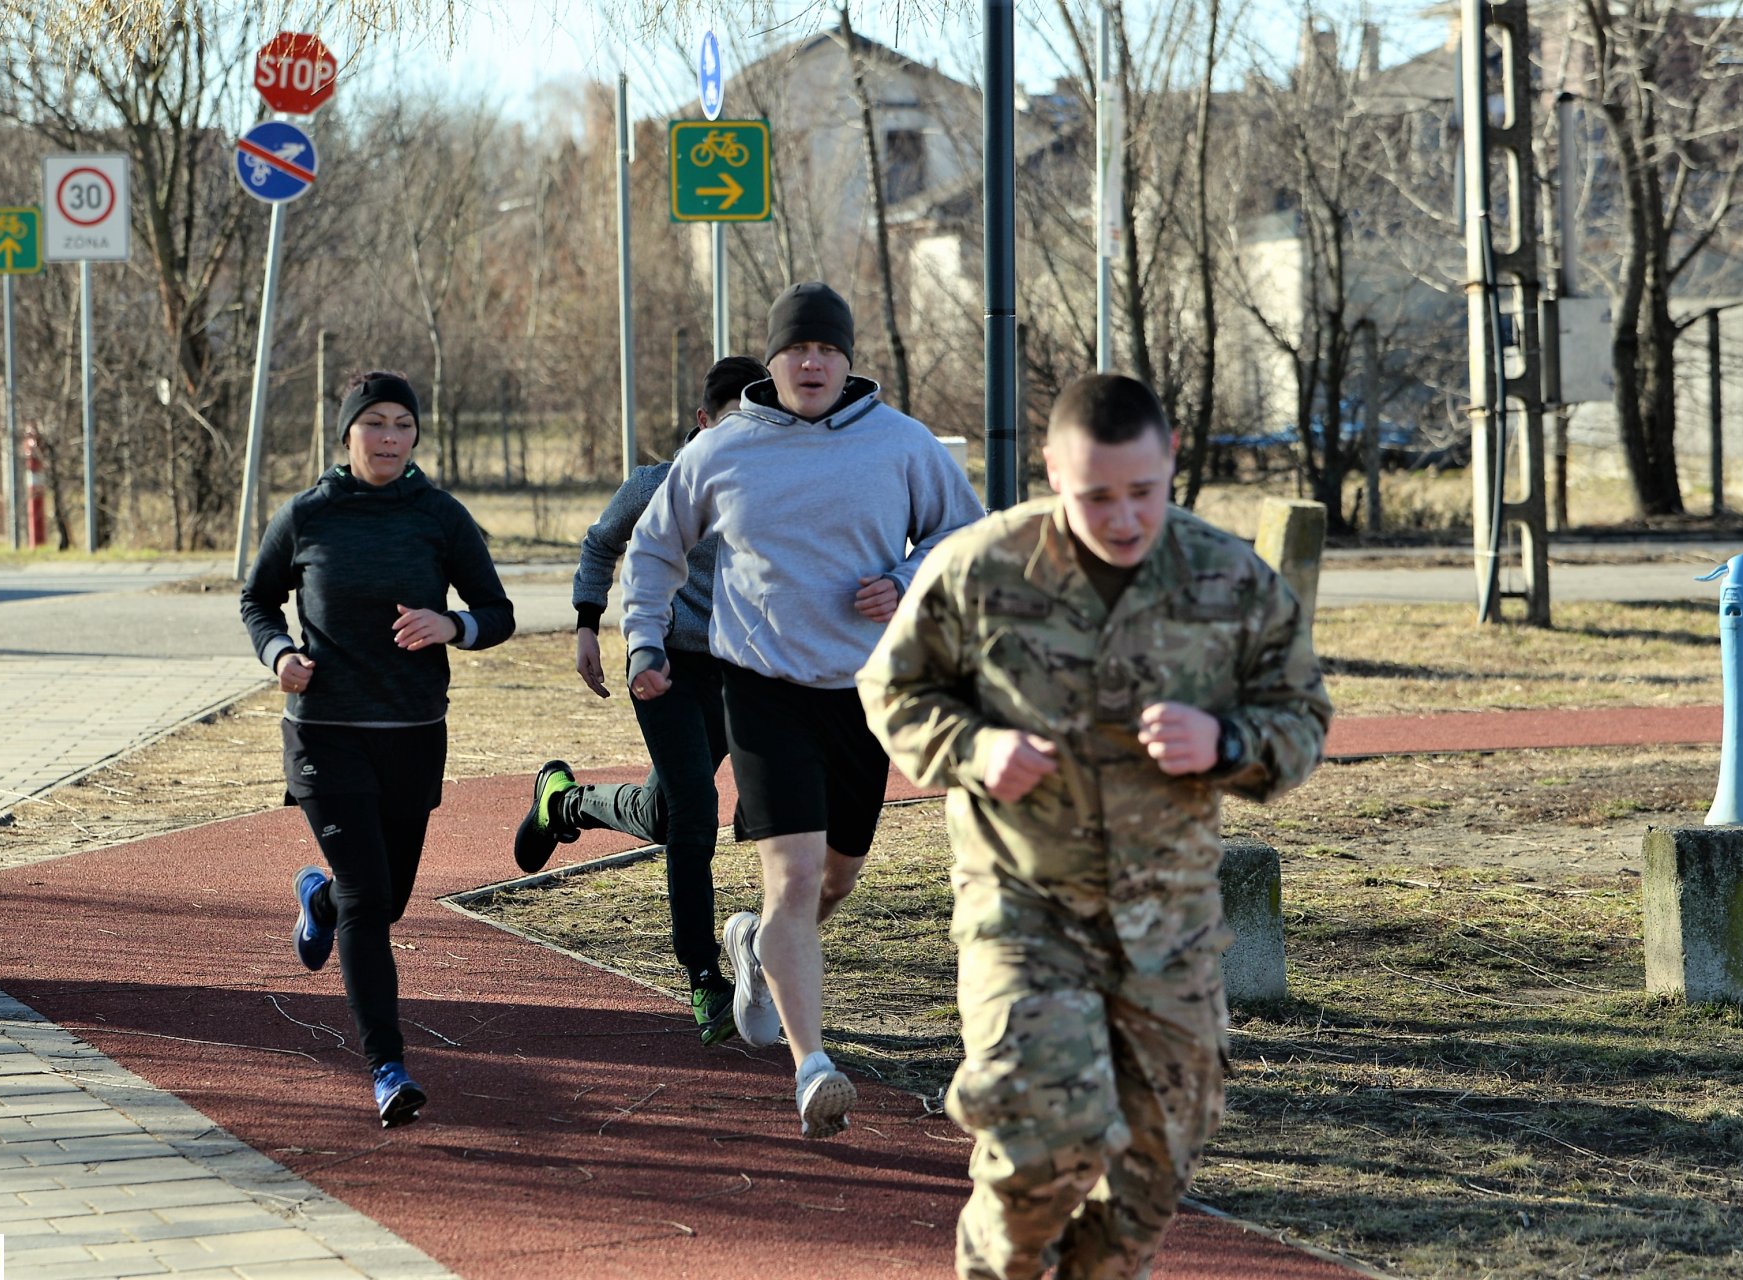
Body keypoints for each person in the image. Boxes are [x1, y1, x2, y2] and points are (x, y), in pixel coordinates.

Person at [857, 373, 1332, 1279]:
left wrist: (1227, 739)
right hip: (1026, 908)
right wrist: (974, 746)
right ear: (1051, 472)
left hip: (1170, 924)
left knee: (1153, 1180)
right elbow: (892, 688)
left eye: (1142, 493)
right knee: (1045, 1146)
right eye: (1095, 496)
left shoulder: (1228, 578)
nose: (1122, 519)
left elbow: (1301, 717)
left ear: (1173, 459)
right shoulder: (983, 567)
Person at [620, 281, 986, 1139]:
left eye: (826, 349)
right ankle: (812, 1066)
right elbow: (653, 547)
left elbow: (966, 535)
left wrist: (904, 581)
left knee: (836, 878)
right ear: (773, 359)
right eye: (795, 350)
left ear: (849, 360)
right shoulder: (724, 449)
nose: (811, 362)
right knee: (790, 877)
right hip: (762, 687)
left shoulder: (902, 444)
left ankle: (754, 946)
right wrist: (642, 641)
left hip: (864, 693)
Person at [239, 370, 515, 1129]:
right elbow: (257, 598)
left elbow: (499, 612)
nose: (389, 437)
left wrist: (450, 625)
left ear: (416, 435)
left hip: (413, 732)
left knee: (382, 899)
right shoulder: (306, 516)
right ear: (347, 433)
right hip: (324, 730)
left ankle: (315, 899)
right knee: (370, 898)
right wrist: (278, 655)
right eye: (374, 424)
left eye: (402, 424)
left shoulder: (440, 517)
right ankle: (388, 1068)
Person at [513, 354, 770, 1048]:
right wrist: (584, 625)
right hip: (662, 666)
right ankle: (703, 976)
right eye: (735, 425)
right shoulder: (655, 486)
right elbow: (600, 546)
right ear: (703, 422)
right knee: (694, 813)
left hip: (735, 673)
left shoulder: (771, 494)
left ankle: (561, 802)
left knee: (665, 814)